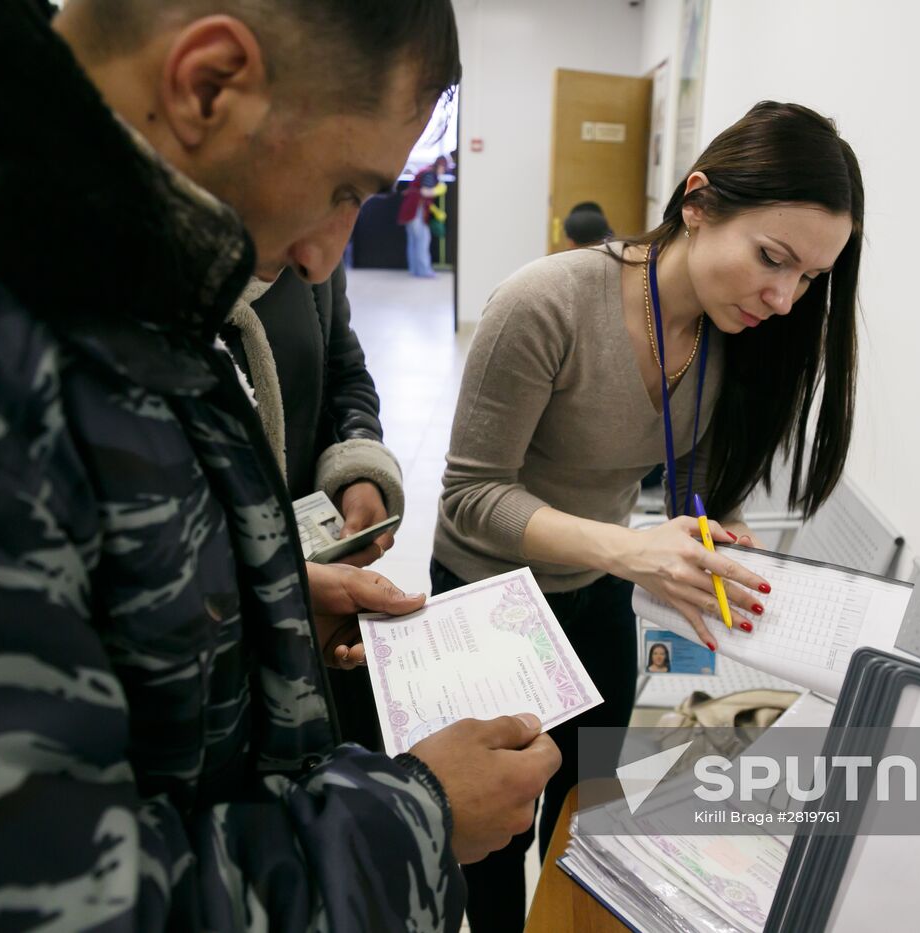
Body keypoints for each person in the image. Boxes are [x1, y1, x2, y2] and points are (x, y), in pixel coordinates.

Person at [0, 1, 559, 928]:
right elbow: (30, 900)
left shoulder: (92, 252)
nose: (325, 254)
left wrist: (258, 598)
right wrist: (418, 817)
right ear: (208, 83)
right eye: (347, 188)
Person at [434, 100, 865, 928]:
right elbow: (471, 496)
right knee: (490, 836)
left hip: (597, 588)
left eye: (809, 278)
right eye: (773, 259)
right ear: (697, 202)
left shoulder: (726, 335)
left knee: (582, 807)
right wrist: (632, 549)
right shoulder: (546, 302)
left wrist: (713, 553)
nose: (784, 298)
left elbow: (698, 487)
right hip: (489, 595)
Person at [224, 264, 404, 748]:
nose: (322, 254)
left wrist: (359, 468)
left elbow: (343, 373)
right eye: (342, 194)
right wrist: (284, 587)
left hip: (312, 603)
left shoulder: (312, 264)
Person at [400, 155, 448, 277]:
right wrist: (439, 189)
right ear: (441, 166)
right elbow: (424, 191)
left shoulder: (426, 171)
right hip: (415, 211)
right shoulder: (429, 173)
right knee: (422, 239)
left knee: (414, 241)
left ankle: (415, 270)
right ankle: (424, 271)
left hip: (411, 210)